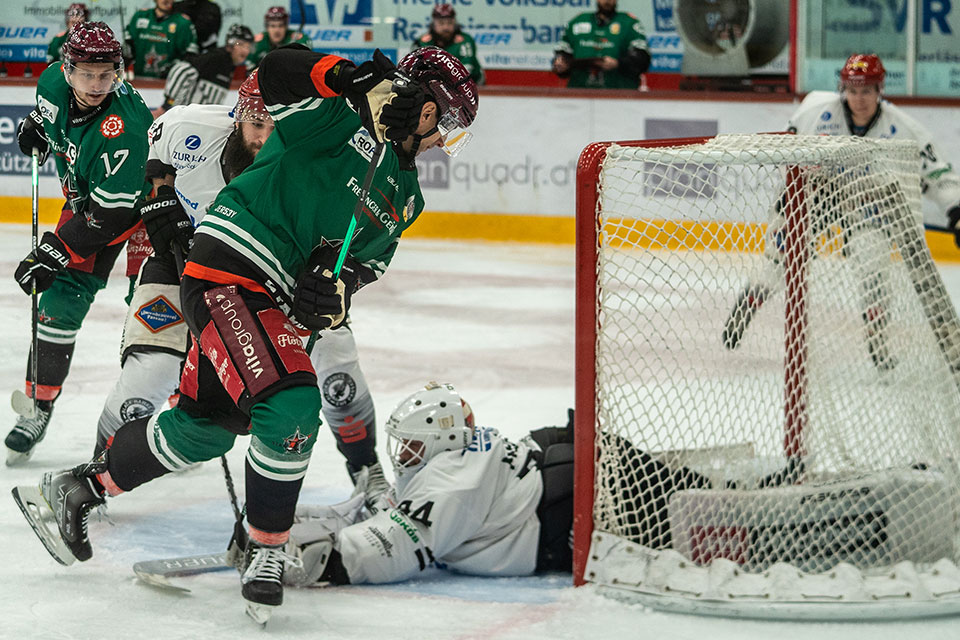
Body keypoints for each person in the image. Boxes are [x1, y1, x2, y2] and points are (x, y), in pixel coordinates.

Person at [13, 45, 478, 624]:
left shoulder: (407, 196)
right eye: (449, 120)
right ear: (426, 108)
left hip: (275, 304)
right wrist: (345, 74)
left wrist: (334, 296)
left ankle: (80, 489)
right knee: (293, 405)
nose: (444, 139)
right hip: (231, 267)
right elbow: (278, 69)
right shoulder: (336, 115)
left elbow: (365, 266)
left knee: (205, 427)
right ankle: (266, 546)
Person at [95, 69, 389, 505]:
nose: (266, 137)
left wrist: (333, 283)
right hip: (183, 263)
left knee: (336, 365)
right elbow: (151, 152)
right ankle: (95, 474)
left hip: (277, 285)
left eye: (278, 127)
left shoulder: (313, 159)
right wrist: (160, 194)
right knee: (151, 369)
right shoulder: (187, 126)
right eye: (257, 124)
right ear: (237, 118)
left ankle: (367, 469)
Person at [281, 383, 715, 587]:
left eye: (412, 445)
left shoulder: (451, 484)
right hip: (578, 464)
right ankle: (726, 492)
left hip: (589, 504)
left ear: (442, 440)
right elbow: (387, 509)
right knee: (700, 495)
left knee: (711, 517)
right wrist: (280, 520)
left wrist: (306, 558)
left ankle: (744, 507)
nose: (403, 456)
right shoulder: (457, 460)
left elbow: (386, 549)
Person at [722, 53, 960, 356]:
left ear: (879, 90)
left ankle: (877, 334)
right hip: (817, 195)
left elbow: (938, 172)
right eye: (853, 90)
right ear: (843, 89)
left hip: (866, 202)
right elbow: (787, 150)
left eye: (866, 91)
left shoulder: (902, 127)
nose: (859, 99)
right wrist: (790, 198)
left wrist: (956, 211)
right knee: (780, 256)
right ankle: (750, 301)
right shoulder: (817, 112)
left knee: (873, 263)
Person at [6, 22, 153, 465]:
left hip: (146, 210)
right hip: (90, 198)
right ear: (67, 70)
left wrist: (55, 249)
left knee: (152, 313)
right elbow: (48, 119)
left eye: (106, 74)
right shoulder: (51, 81)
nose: (96, 85)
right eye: (86, 74)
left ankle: (170, 411)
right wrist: (37, 127)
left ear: (119, 73)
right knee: (57, 301)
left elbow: (109, 218)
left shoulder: (125, 128)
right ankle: (39, 405)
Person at [551, 0, 650, 89]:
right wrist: (560, 64)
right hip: (579, 93)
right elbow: (561, 56)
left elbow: (643, 60)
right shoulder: (577, 21)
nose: (607, 1)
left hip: (620, 95)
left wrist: (618, 63)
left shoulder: (630, 23)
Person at [157, 23, 254, 114]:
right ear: (230, 44)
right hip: (188, 118)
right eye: (240, 44)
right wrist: (168, 105)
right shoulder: (216, 58)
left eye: (248, 46)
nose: (245, 50)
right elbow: (182, 70)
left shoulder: (231, 65)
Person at [124, 0, 199, 79]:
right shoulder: (140, 16)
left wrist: (173, 68)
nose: (167, 1)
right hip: (139, 80)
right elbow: (128, 46)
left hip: (169, 82)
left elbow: (190, 56)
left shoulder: (183, 23)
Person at [412, 4, 483, 86]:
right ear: (433, 24)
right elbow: (415, 68)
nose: (446, 27)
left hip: (471, 85)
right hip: (432, 87)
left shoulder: (465, 40)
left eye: (449, 23)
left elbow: (467, 67)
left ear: (455, 23)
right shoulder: (422, 42)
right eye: (441, 23)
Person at [246, 6, 310, 72]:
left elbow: (304, 68)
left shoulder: (299, 40)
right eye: (273, 26)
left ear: (286, 27)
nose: (277, 30)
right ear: (267, 27)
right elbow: (249, 73)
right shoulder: (257, 43)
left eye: (281, 25)